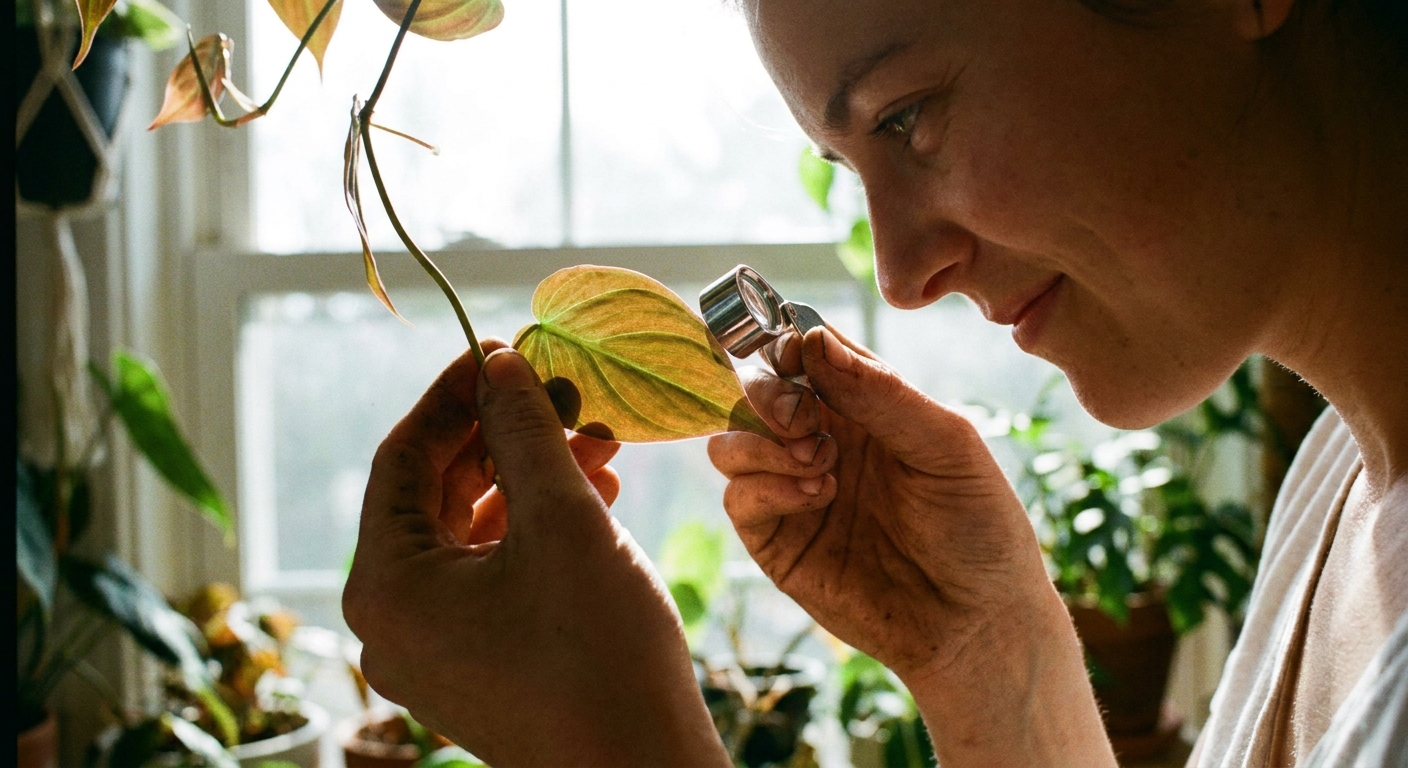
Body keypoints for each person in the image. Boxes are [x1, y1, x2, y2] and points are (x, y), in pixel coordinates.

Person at [342, 0, 1407, 765]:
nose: (900, 279)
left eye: (907, 117)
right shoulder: (1341, 491)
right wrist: (985, 651)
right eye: (851, 166)